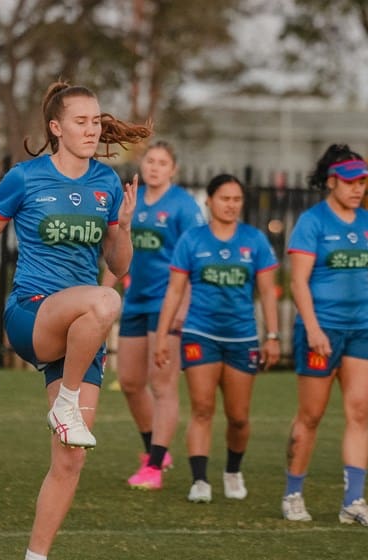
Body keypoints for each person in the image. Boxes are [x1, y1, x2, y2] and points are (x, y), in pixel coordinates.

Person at [0, 80, 151, 560]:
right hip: (33, 314)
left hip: (83, 334)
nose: (92, 128)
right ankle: (65, 403)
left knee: (70, 460)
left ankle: (35, 557)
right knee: (106, 302)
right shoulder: (23, 178)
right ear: (56, 128)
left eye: (96, 120)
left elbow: (121, 265)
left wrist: (123, 226)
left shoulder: (105, 183)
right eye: (80, 121)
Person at [281, 144, 368, 527]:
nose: (357, 188)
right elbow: (298, 282)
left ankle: (354, 502)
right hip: (321, 330)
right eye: (350, 182)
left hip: (362, 329)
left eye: (362, 182)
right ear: (332, 182)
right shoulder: (312, 222)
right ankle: (293, 493)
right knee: (311, 416)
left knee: (360, 411)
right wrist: (313, 329)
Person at [153, 173, 280, 503]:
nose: (231, 205)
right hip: (200, 334)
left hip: (242, 338)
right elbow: (174, 291)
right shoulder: (192, 241)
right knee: (202, 409)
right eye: (225, 198)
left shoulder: (255, 241)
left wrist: (273, 336)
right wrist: (164, 335)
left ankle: (233, 471)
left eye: (237, 199)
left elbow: (268, 293)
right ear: (209, 201)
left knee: (238, 417)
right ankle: (199, 481)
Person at [102, 140, 205, 490]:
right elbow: (118, 252)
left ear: (173, 169)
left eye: (162, 162)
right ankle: (154, 450)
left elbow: (194, 259)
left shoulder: (184, 207)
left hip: (168, 305)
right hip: (135, 301)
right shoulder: (132, 200)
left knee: (162, 385)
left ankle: (155, 467)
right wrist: (104, 294)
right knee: (130, 382)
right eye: (150, 161)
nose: (155, 167)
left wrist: (184, 308)